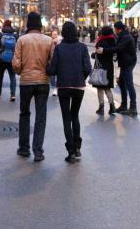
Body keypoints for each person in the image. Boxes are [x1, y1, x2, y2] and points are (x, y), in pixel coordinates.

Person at [46, 22, 91, 163]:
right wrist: (80, 77)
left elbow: (52, 70)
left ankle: (70, 151)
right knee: (75, 116)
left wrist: (47, 66)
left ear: (63, 32)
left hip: (64, 86)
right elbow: (87, 68)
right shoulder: (82, 48)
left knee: (66, 118)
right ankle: (77, 148)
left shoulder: (59, 48)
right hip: (78, 86)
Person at [13, 12, 54, 162]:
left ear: (28, 24)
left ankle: (24, 148)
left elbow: (16, 63)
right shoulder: (49, 41)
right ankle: (38, 151)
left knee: (24, 113)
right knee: (41, 116)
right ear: (40, 25)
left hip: (26, 82)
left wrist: (21, 72)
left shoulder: (22, 40)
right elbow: (53, 63)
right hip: (43, 82)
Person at [96, 21, 137, 116]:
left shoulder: (126, 37)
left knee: (129, 85)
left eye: (115, 29)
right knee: (122, 83)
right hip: (124, 63)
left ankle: (133, 108)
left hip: (128, 63)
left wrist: (104, 50)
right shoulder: (123, 36)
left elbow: (118, 48)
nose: (114, 30)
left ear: (119, 29)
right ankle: (124, 105)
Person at [0, 20, 17, 101]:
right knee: (12, 77)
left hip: (1, 59)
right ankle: (12, 94)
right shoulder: (15, 35)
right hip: (11, 58)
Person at [92, 26, 117, 115]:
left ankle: (101, 107)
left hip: (100, 67)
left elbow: (97, 53)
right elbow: (113, 52)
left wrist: (94, 54)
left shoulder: (101, 40)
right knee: (107, 87)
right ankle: (112, 106)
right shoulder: (113, 40)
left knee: (100, 88)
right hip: (109, 67)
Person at [49, 29, 62, 96]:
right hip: (51, 61)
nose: (55, 36)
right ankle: (54, 87)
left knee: (58, 75)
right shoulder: (49, 42)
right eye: (53, 34)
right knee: (52, 76)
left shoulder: (61, 41)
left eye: (56, 34)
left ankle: (56, 88)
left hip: (59, 61)